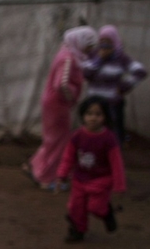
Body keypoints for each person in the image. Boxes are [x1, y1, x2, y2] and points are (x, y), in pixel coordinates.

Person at [24, 26, 98, 192]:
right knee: (59, 141)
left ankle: (35, 165)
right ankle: (44, 177)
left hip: (54, 104)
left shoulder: (67, 52)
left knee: (53, 139)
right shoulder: (68, 59)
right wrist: (72, 98)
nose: (90, 49)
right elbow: (61, 84)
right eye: (89, 45)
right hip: (58, 106)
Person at [57, 96, 126, 243]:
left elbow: (116, 164)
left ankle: (107, 213)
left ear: (105, 117)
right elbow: (69, 157)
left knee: (96, 208)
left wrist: (119, 185)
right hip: (80, 178)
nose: (93, 118)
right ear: (83, 116)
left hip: (101, 180)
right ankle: (77, 231)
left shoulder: (108, 139)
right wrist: (62, 174)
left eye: (98, 114)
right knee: (77, 207)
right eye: (89, 114)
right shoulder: (77, 136)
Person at [83, 25, 148, 145]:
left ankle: (114, 157)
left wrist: (124, 86)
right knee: (93, 131)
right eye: (102, 41)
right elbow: (86, 74)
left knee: (112, 133)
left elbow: (141, 72)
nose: (105, 45)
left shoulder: (121, 58)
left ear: (115, 42)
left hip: (112, 103)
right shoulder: (93, 55)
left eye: (108, 42)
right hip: (94, 103)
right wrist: (99, 59)